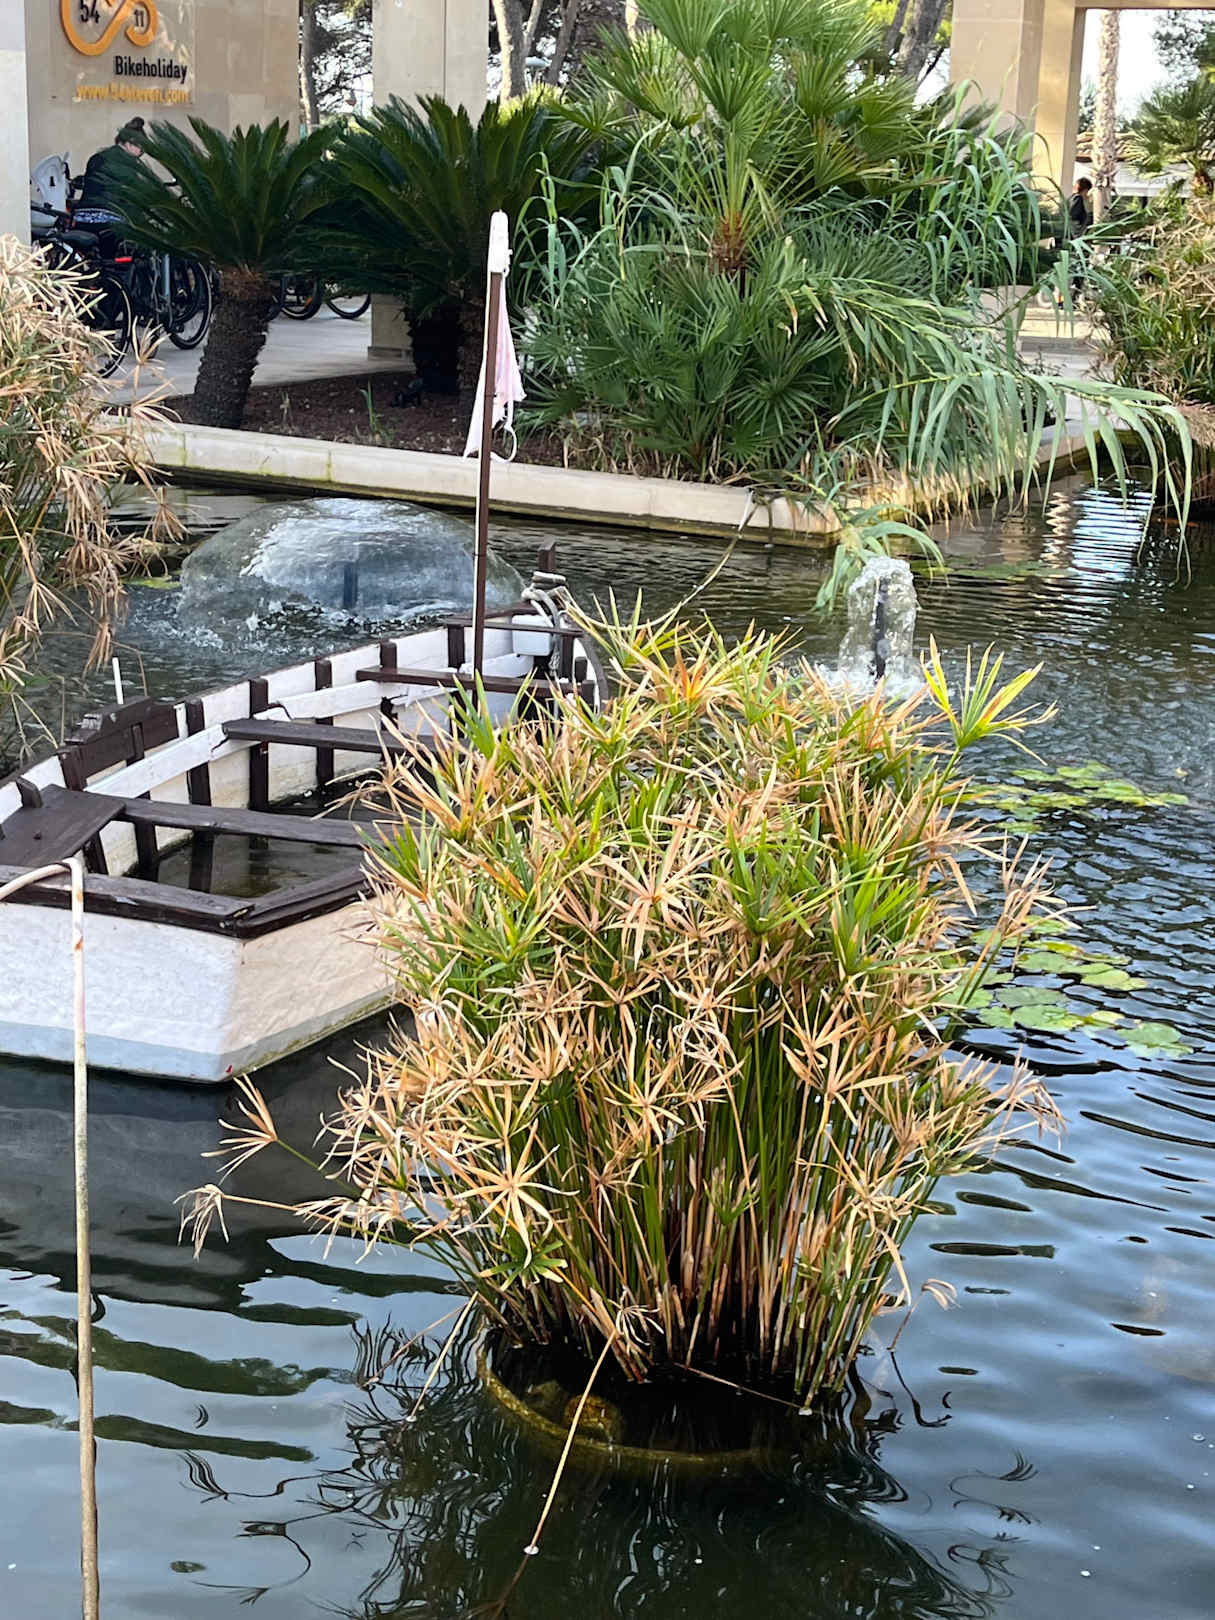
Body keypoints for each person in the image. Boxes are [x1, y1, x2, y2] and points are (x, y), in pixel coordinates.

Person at [73, 117, 146, 228]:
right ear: (129, 142)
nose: (142, 151)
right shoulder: (127, 164)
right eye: (141, 146)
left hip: (83, 217)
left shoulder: (98, 157)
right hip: (110, 221)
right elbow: (131, 198)